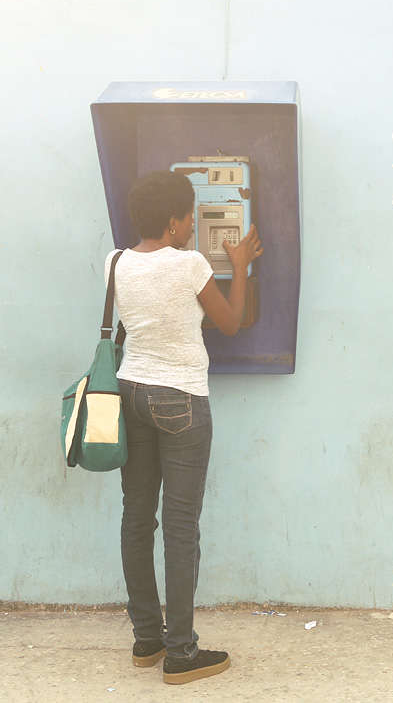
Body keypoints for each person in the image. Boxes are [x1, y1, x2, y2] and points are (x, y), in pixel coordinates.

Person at [104, 169, 262, 685]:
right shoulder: (191, 264)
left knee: (136, 517)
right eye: (189, 219)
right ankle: (182, 652)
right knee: (180, 527)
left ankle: (147, 638)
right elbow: (232, 321)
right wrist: (239, 267)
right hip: (181, 398)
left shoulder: (115, 263)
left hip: (131, 394)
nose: (193, 227)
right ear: (173, 222)